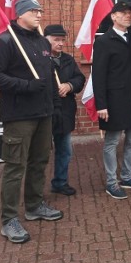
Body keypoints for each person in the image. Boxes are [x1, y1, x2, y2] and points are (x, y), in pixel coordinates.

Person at [0, 0, 63, 244]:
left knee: (39, 161)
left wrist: (53, 105)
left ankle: (34, 205)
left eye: (40, 10)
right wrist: (26, 86)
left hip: (43, 113)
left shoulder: (41, 41)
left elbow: (48, 78)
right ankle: (9, 220)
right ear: (20, 14)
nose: (39, 14)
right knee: (15, 166)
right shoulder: (6, 41)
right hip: (19, 115)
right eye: (33, 11)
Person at [92, 1, 131, 200]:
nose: (129, 15)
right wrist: (102, 105)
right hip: (114, 100)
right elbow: (98, 74)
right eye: (124, 13)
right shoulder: (104, 41)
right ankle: (111, 181)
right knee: (112, 142)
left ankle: (127, 176)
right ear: (113, 16)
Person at [44, 24, 86, 196]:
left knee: (65, 150)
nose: (60, 43)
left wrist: (69, 86)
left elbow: (79, 78)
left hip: (65, 111)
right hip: (45, 112)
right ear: (45, 39)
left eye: (62, 40)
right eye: (56, 40)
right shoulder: (39, 59)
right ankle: (36, 189)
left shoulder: (68, 59)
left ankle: (60, 182)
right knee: (41, 153)